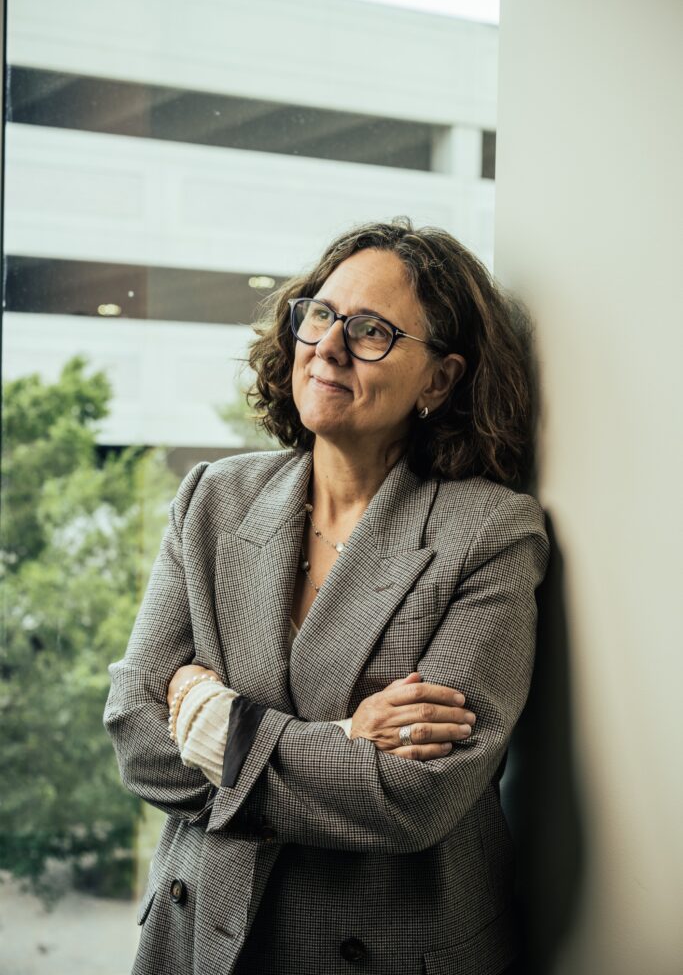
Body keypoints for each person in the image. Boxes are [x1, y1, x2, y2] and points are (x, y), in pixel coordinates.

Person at [104, 218, 549, 975]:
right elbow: (137, 736)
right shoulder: (213, 497)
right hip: (199, 935)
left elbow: (414, 795)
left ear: (438, 379)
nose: (329, 346)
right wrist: (346, 739)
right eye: (320, 313)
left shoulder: (490, 533)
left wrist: (216, 727)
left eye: (371, 330)